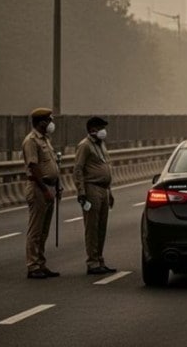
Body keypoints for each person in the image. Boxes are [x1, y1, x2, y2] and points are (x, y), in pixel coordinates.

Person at [74, 116, 116, 275]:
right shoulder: (84, 146)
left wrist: (110, 191)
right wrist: (81, 192)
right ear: (92, 129)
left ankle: (100, 259)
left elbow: (106, 167)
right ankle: (92, 262)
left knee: (102, 227)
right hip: (92, 188)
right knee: (92, 227)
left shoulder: (101, 145)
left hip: (104, 189)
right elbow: (78, 170)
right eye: (100, 127)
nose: (104, 131)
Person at [22, 108, 61, 279]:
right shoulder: (31, 141)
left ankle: (41, 263)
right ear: (41, 122)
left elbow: (51, 164)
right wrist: (45, 190)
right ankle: (33, 265)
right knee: (36, 230)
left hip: (49, 187)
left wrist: (57, 186)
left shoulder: (45, 140)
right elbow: (34, 167)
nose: (51, 123)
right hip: (39, 188)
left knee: (44, 230)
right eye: (49, 120)